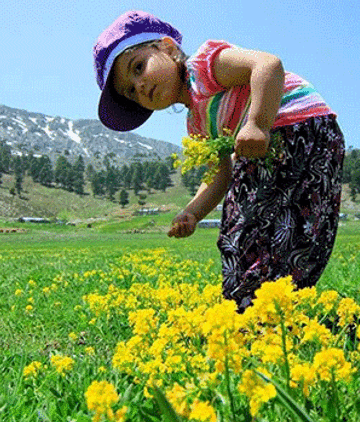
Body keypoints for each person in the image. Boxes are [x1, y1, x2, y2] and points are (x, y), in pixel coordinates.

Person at [94, 10, 345, 311]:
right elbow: (218, 176)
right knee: (238, 228)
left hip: (302, 130)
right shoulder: (196, 123)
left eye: (138, 68)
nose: (140, 87)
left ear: (169, 49)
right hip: (261, 151)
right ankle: (251, 306)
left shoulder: (205, 67)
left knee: (296, 227)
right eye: (131, 93)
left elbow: (268, 65)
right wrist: (192, 213)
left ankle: (274, 302)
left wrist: (258, 124)